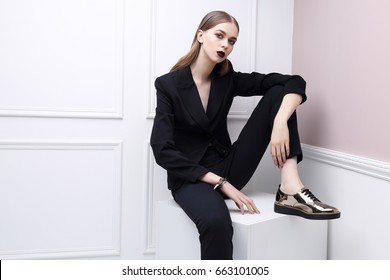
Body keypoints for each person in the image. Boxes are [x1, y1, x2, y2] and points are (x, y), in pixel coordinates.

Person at [150, 11, 340, 260]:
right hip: (191, 179)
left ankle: (290, 188)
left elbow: (294, 81)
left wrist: (280, 120)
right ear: (200, 35)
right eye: (219, 36)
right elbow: (161, 149)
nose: (225, 45)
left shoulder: (227, 80)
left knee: (278, 95)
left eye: (231, 41)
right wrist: (221, 183)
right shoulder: (168, 85)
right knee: (216, 223)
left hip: (228, 164)